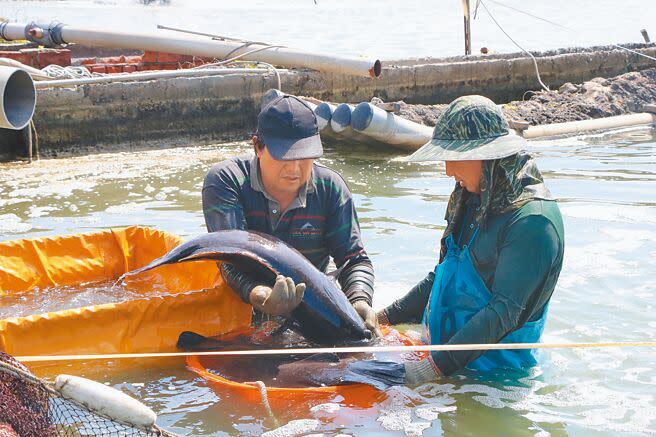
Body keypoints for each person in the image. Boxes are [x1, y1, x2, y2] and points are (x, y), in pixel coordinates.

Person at [277, 95, 565, 388]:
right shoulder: (475, 197)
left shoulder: (533, 221)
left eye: (453, 158)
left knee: (312, 379)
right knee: (297, 372)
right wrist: (384, 317)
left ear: (488, 154)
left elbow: (504, 312)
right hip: (439, 358)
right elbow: (441, 277)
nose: (448, 170)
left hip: (491, 382)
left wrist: (428, 371)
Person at [202, 94, 379, 336]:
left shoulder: (331, 188)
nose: (295, 169)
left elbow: (355, 260)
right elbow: (229, 259)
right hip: (240, 313)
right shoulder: (225, 181)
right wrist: (260, 295)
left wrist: (359, 299)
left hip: (310, 316)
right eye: (284, 156)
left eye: (304, 156)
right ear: (257, 147)